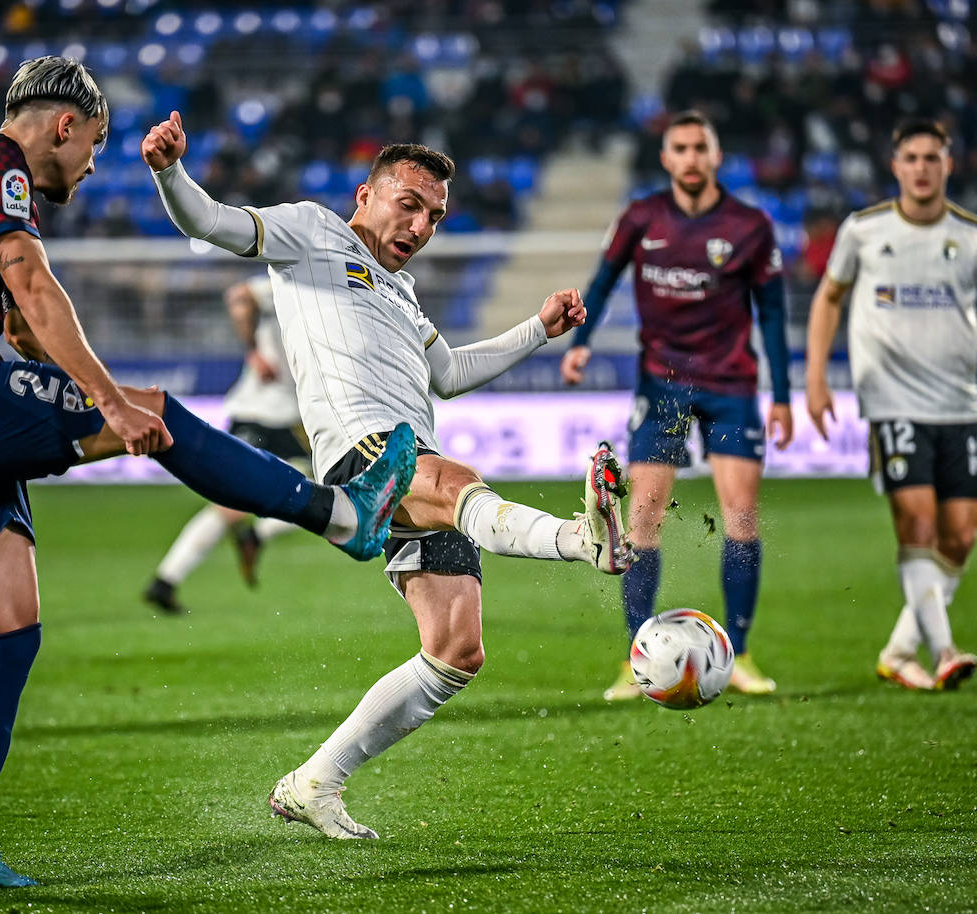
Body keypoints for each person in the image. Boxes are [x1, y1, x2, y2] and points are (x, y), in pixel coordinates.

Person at [0, 57, 416, 889]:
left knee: (10, 627)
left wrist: (15, 332)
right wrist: (106, 401)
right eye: (94, 144)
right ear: (65, 125)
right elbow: (31, 279)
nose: (91, 164)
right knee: (153, 410)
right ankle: (338, 514)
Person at [142, 110, 634, 839]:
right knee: (450, 478)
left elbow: (453, 372)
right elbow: (212, 220)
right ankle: (582, 540)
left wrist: (538, 329)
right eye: (409, 204)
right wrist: (168, 170)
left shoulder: (403, 296)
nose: (421, 225)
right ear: (364, 196)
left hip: (412, 450)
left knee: (457, 649)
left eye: (434, 216)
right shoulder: (313, 233)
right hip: (363, 451)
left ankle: (315, 782)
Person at [804, 117, 977, 691]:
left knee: (959, 537)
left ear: (948, 164)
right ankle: (943, 650)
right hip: (891, 402)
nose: (921, 168)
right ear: (895, 166)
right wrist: (815, 378)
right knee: (915, 522)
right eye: (910, 158)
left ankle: (898, 650)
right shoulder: (863, 230)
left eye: (931, 158)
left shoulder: (975, 235)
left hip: (957, 405)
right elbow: (828, 300)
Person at [559, 110, 793, 700]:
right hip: (661, 385)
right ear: (666, 158)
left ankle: (736, 652)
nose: (690, 157)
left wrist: (784, 395)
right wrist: (580, 344)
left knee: (740, 516)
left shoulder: (750, 226)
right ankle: (637, 655)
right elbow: (605, 279)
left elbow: (772, 314)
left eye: (700, 148)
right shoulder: (642, 218)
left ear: (716, 157)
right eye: (680, 148)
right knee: (641, 520)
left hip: (732, 386)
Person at [143, 275, 309, 612]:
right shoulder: (291, 282)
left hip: (290, 416)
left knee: (323, 487)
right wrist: (252, 353)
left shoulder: (322, 291)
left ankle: (170, 579)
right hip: (257, 412)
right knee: (236, 505)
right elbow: (239, 296)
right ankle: (167, 580)